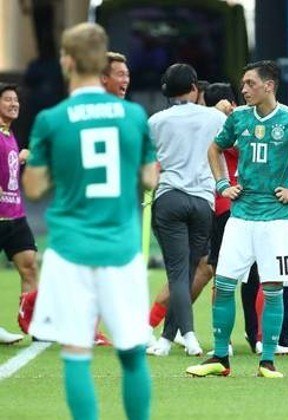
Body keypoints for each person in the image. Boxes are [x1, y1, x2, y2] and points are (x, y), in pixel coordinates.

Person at [24, 22, 156, 420]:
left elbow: (33, 187)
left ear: (66, 60)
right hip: (121, 247)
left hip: (69, 249)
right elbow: (150, 176)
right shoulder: (133, 115)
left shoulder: (51, 119)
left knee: (76, 354)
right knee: (132, 352)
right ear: (102, 62)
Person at [186, 60, 288, 379]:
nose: (243, 89)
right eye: (243, 84)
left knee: (273, 289)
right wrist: (223, 184)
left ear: (269, 85)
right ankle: (220, 357)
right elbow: (214, 149)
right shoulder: (238, 118)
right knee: (223, 285)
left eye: (250, 83)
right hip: (240, 218)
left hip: (277, 221)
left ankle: (267, 361)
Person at [144, 64, 224, 357]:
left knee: (178, 273)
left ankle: (187, 335)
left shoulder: (156, 120)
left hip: (169, 197)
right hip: (203, 200)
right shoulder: (215, 117)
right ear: (195, 87)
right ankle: (167, 339)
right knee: (188, 272)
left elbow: (149, 161)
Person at [0, 83, 36, 344]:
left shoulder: (10, 135)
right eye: (8, 100)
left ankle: (32, 323)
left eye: (16, 100)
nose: (14, 104)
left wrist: (21, 157)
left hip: (16, 214)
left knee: (29, 265)